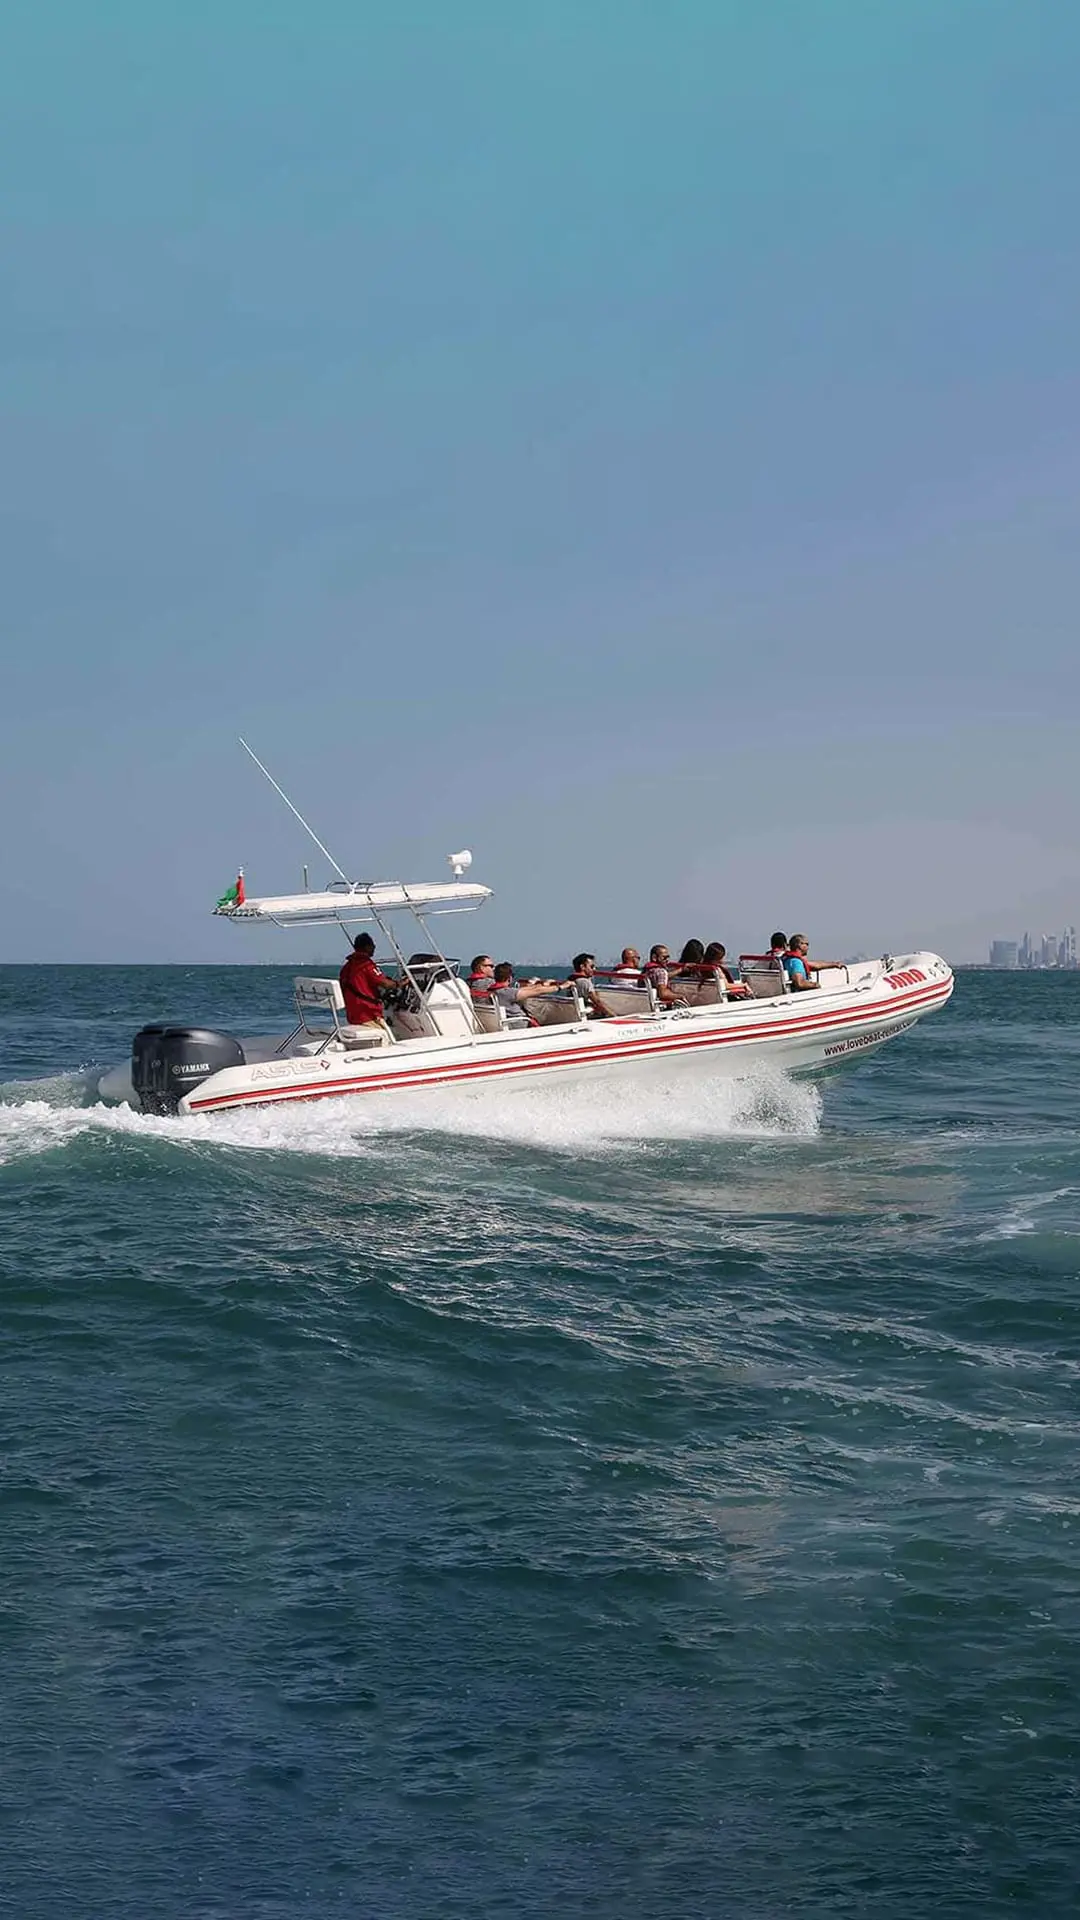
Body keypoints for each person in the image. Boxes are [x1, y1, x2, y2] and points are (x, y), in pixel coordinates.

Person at [339, 933, 399, 1028]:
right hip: (368, 1014)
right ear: (367, 947)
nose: (374, 947)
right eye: (372, 945)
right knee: (387, 1035)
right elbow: (387, 984)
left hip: (353, 1015)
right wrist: (401, 983)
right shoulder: (366, 965)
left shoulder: (347, 967)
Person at [491, 962, 561, 1026]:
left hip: (507, 1023)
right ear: (509, 978)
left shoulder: (493, 991)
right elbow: (537, 991)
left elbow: (527, 989)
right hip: (519, 1024)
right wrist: (560, 987)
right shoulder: (508, 993)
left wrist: (542, 984)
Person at [570, 952, 612, 1017]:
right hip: (586, 1014)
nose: (594, 969)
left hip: (574, 1012)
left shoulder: (572, 980)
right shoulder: (585, 982)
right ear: (582, 967)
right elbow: (597, 1002)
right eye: (592, 967)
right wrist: (613, 1015)